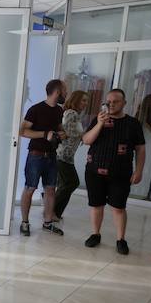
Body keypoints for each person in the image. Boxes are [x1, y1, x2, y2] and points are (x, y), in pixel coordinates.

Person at [81, 89, 146, 255]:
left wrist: (139, 171)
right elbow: (87, 140)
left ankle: (120, 239)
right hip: (94, 170)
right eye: (108, 101)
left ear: (124, 103)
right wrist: (100, 123)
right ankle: (95, 234)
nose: (111, 104)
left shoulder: (133, 123)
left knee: (118, 207)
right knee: (96, 205)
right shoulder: (98, 119)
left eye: (115, 101)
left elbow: (140, 149)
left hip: (121, 173)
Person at [19, 80, 67, 236]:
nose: (67, 93)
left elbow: (59, 128)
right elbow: (22, 131)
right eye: (65, 90)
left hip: (52, 156)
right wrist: (45, 134)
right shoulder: (35, 109)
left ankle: (48, 223)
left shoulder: (59, 111)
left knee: (51, 190)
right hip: (35, 156)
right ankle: (24, 222)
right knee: (30, 188)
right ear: (58, 91)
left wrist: (62, 133)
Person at [54, 90, 88, 221]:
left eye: (86, 101)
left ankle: (56, 213)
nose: (85, 103)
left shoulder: (75, 114)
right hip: (62, 155)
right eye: (83, 100)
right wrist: (85, 134)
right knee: (71, 183)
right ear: (76, 100)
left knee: (66, 184)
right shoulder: (71, 113)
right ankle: (52, 212)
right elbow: (67, 132)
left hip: (67, 156)